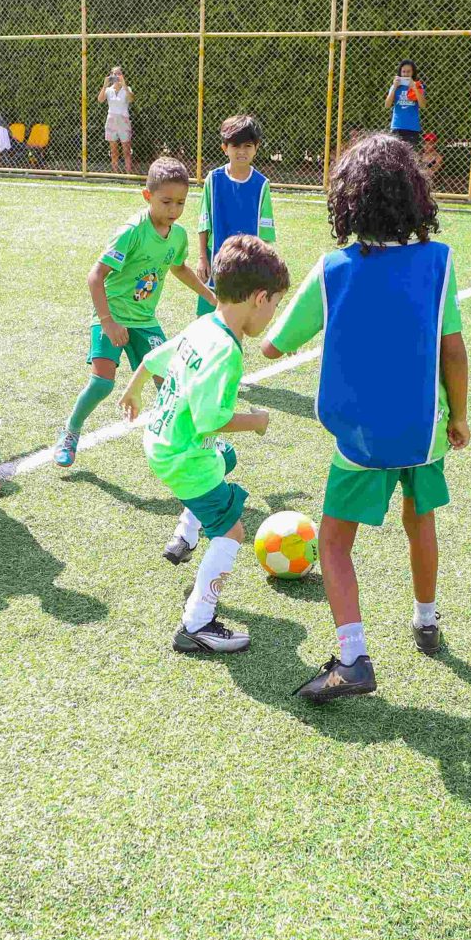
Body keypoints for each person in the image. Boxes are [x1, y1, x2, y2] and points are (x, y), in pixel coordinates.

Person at [259, 131, 469, 703]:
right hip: (424, 430)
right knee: (419, 520)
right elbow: (454, 350)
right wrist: (461, 417)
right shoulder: (439, 263)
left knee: (332, 541)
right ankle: (426, 619)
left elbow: (274, 346)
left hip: (360, 437)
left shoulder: (333, 271)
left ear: (346, 201)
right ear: (414, 196)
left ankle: (353, 657)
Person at [118, 234, 293, 654]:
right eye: (274, 305)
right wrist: (257, 421)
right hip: (183, 458)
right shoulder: (227, 352)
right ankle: (197, 624)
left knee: (225, 457)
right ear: (259, 297)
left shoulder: (204, 324)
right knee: (232, 532)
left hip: (159, 439)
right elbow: (210, 418)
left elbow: (151, 358)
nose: (272, 314)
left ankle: (185, 533)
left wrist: (133, 390)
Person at [54, 154, 201, 467]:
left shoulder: (178, 236)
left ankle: (182, 443)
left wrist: (210, 295)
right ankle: (70, 432)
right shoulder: (132, 231)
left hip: (145, 321)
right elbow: (95, 276)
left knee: (169, 383)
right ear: (147, 196)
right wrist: (107, 322)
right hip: (111, 316)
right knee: (102, 383)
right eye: (166, 202)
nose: (173, 210)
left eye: (180, 203)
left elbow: (180, 268)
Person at [193, 114, 277, 318]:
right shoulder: (213, 179)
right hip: (216, 261)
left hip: (246, 264)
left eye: (247, 146)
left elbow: (265, 232)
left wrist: (266, 266)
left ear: (256, 148)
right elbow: (204, 222)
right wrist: (202, 258)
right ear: (225, 148)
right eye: (235, 146)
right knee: (206, 319)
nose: (241, 151)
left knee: (237, 320)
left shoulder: (261, 184)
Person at [99, 66, 133, 173]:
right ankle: (115, 173)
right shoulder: (109, 90)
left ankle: (128, 173)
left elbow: (131, 99)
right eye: (114, 74)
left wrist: (124, 85)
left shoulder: (127, 89)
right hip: (111, 121)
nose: (116, 76)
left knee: (126, 150)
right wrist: (105, 85)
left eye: (119, 73)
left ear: (122, 75)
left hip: (124, 121)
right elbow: (100, 100)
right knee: (114, 151)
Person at [387, 60, 427, 146]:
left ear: (413, 73)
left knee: (409, 157)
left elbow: (423, 105)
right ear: (400, 72)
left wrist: (414, 88)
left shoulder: (419, 86)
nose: (405, 74)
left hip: (412, 128)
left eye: (408, 71)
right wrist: (394, 87)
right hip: (397, 126)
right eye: (403, 71)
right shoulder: (395, 86)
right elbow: (387, 105)